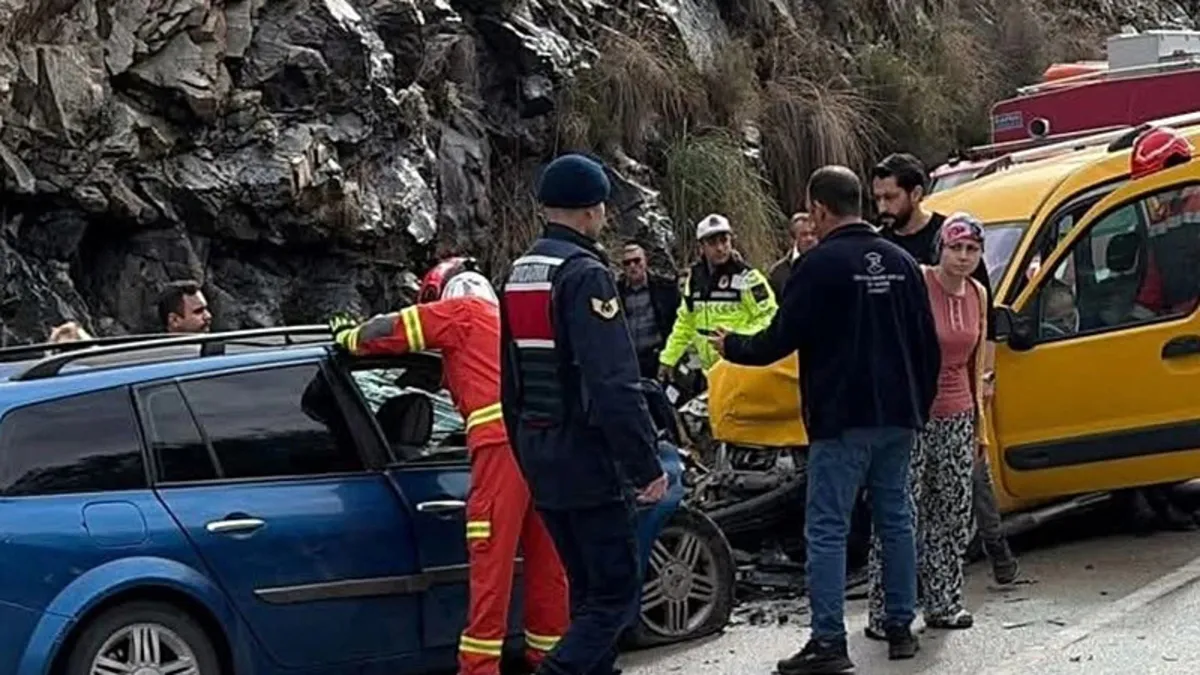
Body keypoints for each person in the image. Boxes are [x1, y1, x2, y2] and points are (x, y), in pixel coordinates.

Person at [710, 166, 941, 673]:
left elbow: (778, 339)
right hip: (897, 416)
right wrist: (918, 406)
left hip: (842, 418)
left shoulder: (816, 267)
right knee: (895, 518)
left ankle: (829, 642)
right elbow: (928, 345)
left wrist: (732, 348)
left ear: (818, 209)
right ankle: (901, 626)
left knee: (828, 528)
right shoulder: (903, 263)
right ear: (859, 202)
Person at [327, 258, 569, 675]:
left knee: (491, 567)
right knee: (548, 563)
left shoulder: (463, 315)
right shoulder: (508, 322)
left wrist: (350, 337)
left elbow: (392, 329)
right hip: (544, 449)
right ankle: (554, 660)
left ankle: (478, 669)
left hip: (499, 451)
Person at [499, 153, 668, 675]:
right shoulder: (585, 275)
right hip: (588, 461)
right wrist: (646, 466)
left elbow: (510, 383)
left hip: (541, 456)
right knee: (615, 598)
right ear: (592, 211)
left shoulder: (519, 273)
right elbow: (613, 384)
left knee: (587, 596)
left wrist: (525, 456)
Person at [872, 152, 1021, 582]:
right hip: (906, 388)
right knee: (910, 485)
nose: (882, 207)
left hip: (957, 382)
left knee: (971, 473)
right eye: (877, 197)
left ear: (915, 194)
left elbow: (984, 313)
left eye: (890, 196)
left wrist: (985, 377)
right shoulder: (885, 247)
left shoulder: (953, 237)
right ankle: (912, 575)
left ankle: (996, 547)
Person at [865, 213, 991, 639]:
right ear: (940, 247)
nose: (963, 256)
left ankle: (944, 601)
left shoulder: (977, 293)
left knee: (952, 509)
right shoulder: (918, 281)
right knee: (902, 512)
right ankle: (886, 609)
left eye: (972, 249)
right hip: (912, 414)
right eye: (956, 247)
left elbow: (978, 365)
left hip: (957, 413)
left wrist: (980, 428)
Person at [657, 213, 777, 379]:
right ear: (702, 247)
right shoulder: (695, 278)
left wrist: (735, 340)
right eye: (713, 243)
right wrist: (669, 358)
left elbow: (769, 317)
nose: (720, 248)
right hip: (708, 372)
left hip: (740, 367)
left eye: (724, 240)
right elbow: (686, 321)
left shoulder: (747, 277)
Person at [617, 242, 681, 379]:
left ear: (645, 261)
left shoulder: (665, 288)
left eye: (636, 260)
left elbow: (679, 323)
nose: (632, 266)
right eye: (627, 263)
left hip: (657, 358)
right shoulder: (615, 292)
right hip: (628, 361)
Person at [768, 212, 819, 297]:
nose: (810, 239)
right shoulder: (778, 272)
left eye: (813, 234)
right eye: (804, 234)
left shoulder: (830, 264)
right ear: (793, 238)